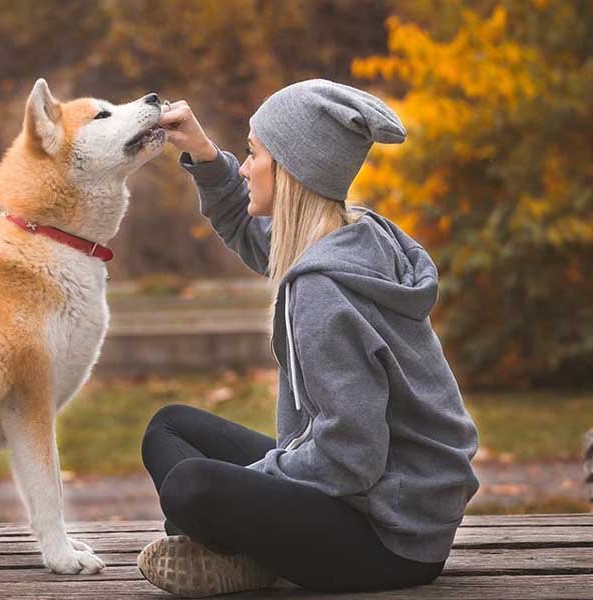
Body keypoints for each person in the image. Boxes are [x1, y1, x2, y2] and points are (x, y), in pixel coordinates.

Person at [136, 79, 481, 597]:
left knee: (192, 487)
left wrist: (249, 486)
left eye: (253, 155)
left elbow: (350, 458)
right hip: (381, 500)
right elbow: (252, 235)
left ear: (291, 171)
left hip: (389, 539)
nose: (246, 166)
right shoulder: (355, 234)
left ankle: (245, 552)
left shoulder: (322, 292)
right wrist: (205, 154)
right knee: (169, 427)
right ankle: (244, 547)